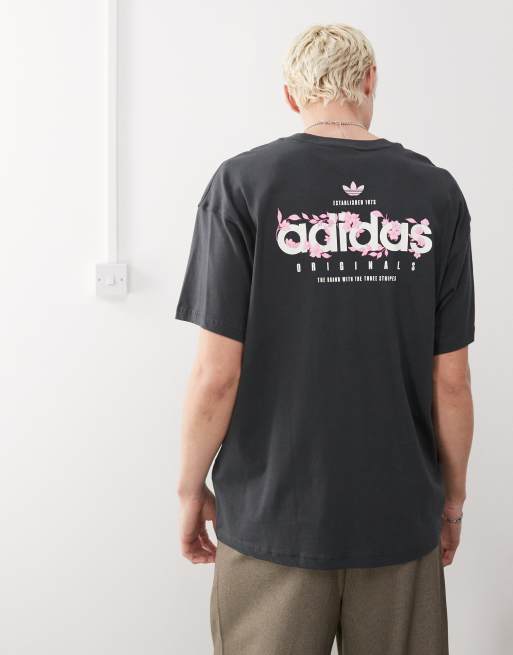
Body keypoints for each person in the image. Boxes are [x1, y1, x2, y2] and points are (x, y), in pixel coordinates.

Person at [175, 23, 474, 655]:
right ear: (370, 82)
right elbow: (450, 380)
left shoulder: (242, 185)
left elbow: (216, 375)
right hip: (398, 516)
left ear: (290, 95)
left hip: (272, 516)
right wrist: (451, 503)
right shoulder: (435, 192)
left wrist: (188, 488)